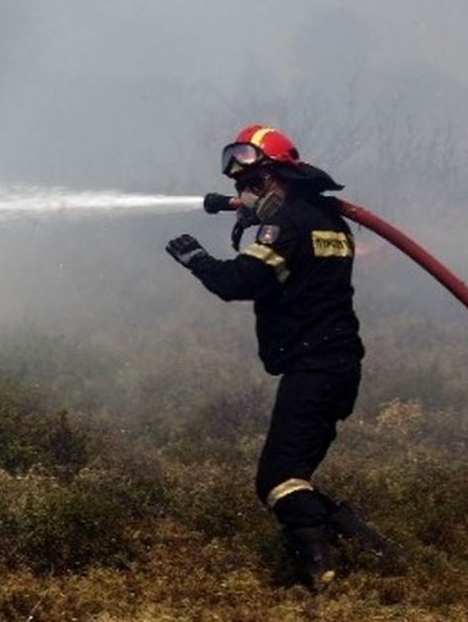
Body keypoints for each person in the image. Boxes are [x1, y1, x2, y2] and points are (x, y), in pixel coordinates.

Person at [164, 124, 372, 590]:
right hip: (335, 366)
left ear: (282, 177)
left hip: (315, 367)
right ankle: (375, 549)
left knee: (278, 479)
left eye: (256, 184)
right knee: (292, 476)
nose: (247, 194)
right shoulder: (328, 220)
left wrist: (196, 258)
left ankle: (322, 578)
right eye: (241, 187)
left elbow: (237, 283)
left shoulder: (289, 224)